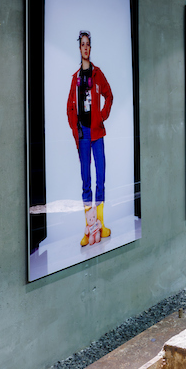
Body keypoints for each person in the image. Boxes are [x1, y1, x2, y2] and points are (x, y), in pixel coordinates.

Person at [66, 30, 114, 246]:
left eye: (88, 44)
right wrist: (76, 131)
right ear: (79, 48)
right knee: (86, 180)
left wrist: (102, 116)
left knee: (100, 177)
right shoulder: (75, 78)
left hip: (97, 134)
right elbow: (69, 109)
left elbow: (109, 95)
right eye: (82, 44)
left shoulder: (98, 74)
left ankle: (100, 225)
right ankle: (89, 227)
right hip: (84, 136)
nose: (85, 47)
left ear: (90, 48)